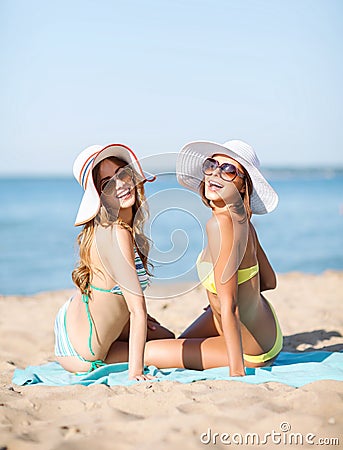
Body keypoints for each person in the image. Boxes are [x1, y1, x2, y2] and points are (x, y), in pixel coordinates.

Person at [144, 139, 282, 376]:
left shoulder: (219, 225)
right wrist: (219, 302)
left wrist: (236, 371)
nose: (216, 173)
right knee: (182, 341)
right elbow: (269, 282)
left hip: (251, 347)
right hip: (269, 330)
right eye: (211, 164)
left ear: (242, 185)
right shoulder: (245, 222)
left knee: (148, 352)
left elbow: (231, 305)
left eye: (229, 170)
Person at [54, 144, 174, 380]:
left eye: (123, 174)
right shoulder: (117, 232)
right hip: (83, 351)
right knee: (165, 349)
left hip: (73, 319)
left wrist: (134, 320)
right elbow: (137, 310)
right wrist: (136, 372)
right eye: (107, 182)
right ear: (99, 194)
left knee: (166, 335)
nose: (120, 184)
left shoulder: (107, 226)